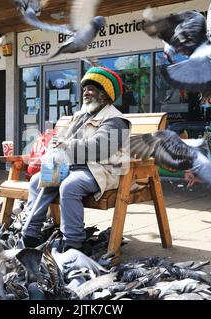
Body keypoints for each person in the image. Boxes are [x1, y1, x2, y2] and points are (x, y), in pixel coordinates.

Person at [22, 67, 131, 253]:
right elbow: (59, 139)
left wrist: (65, 147)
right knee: (37, 180)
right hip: (74, 165)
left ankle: (73, 242)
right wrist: (53, 150)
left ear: (104, 95)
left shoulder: (116, 120)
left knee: (69, 186)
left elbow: (99, 149)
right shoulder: (80, 116)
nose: (86, 93)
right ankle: (31, 232)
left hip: (101, 170)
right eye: (84, 88)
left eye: (91, 89)